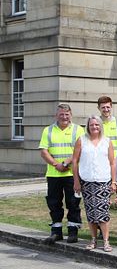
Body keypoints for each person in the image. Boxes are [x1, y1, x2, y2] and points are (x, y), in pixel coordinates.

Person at [39, 104, 85, 244]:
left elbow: (80, 150)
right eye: (61, 114)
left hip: (72, 174)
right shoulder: (48, 130)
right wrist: (56, 164)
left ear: (71, 115)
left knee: (73, 203)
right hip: (54, 174)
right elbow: (44, 151)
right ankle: (56, 231)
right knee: (54, 203)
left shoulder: (78, 130)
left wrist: (65, 163)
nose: (64, 117)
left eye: (67, 114)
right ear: (56, 115)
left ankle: (72, 231)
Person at [72, 115, 116, 252]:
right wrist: (76, 181)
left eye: (97, 125)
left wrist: (114, 181)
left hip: (103, 182)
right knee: (91, 213)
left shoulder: (107, 141)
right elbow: (74, 161)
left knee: (103, 213)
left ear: (100, 126)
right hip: (87, 182)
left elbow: (112, 162)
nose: (94, 127)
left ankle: (106, 241)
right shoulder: (81, 140)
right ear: (88, 126)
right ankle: (93, 239)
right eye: (92, 125)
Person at [97, 96, 117, 239]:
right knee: (101, 200)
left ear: (111, 107)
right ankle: (101, 229)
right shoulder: (95, 123)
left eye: (108, 107)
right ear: (99, 108)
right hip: (102, 168)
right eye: (103, 107)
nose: (106, 110)